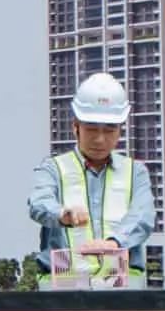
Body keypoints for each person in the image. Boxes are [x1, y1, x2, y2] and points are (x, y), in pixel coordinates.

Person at [27, 72, 155, 278]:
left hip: (120, 281)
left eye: (109, 131)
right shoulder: (53, 168)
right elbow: (39, 203)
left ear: (120, 130)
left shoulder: (135, 172)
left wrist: (114, 243)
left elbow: (143, 216)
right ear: (75, 127)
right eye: (92, 130)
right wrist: (62, 214)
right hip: (65, 280)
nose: (100, 140)